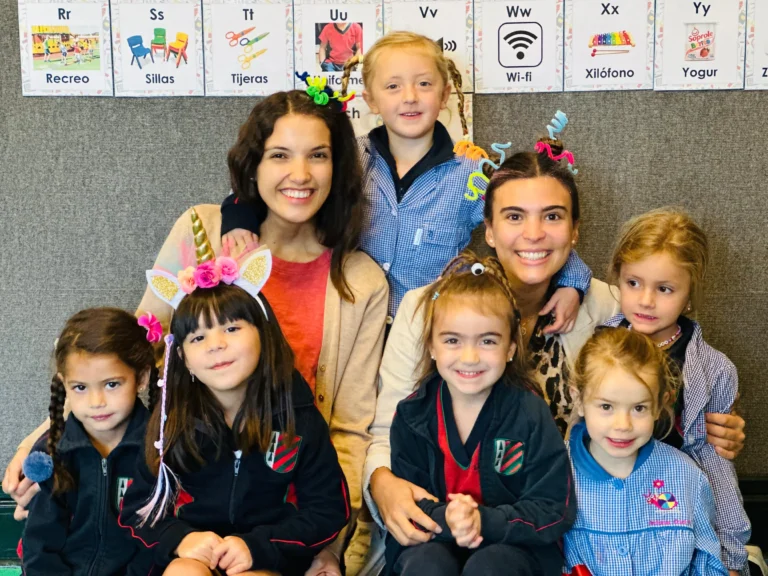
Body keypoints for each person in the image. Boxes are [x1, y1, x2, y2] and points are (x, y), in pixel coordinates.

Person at [4, 89, 387, 576]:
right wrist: (47, 437)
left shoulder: (361, 281)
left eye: (319, 155)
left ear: (339, 168)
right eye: (279, 156)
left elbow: (349, 429)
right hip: (188, 511)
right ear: (253, 167)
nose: (300, 174)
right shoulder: (202, 231)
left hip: (280, 512)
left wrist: (331, 546)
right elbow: (129, 356)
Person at [359, 137, 747, 575]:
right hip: (437, 528)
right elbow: (386, 428)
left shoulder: (609, 305)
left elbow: (663, 348)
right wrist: (383, 483)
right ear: (488, 229)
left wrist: (712, 410)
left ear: (575, 230)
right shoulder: (428, 308)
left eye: (553, 216)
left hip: (565, 531)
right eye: (513, 216)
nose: (534, 234)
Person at [223, 33, 591, 326]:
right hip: (350, 321)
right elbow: (289, 188)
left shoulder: (471, 173)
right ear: (369, 99)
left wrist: (571, 280)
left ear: (445, 95)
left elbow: (523, 221)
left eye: (424, 84)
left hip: (428, 327)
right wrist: (237, 215)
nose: (410, 98)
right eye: (393, 86)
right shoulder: (349, 157)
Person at [120, 246, 350, 576]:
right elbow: (136, 510)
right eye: (198, 337)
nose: (216, 345)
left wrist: (260, 546)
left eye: (231, 329)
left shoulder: (298, 418)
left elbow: (327, 510)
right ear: (183, 358)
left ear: (263, 335)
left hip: (268, 556)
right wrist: (179, 540)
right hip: (189, 557)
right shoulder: (168, 425)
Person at [387, 252, 575, 575]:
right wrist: (448, 519)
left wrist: (483, 521)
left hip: (512, 548)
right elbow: (408, 501)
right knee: (426, 565)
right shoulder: (412, 416)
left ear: (511, 348)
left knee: (489, 568)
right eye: (453, 340)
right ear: (431, 346)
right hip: (433, 542)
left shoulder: (529, 412)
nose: (470, 357)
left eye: (487, 340)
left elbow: (553, 506)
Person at [603, 208, 751, 575]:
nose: (646, 301)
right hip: (608, 501)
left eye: (664, 289)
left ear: (688, 295)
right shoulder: (600, 345)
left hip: (677, 505)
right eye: (633, 283)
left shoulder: (714, 370)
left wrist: (731, 551)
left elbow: (716, 462)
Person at [565, 327, 728, 575]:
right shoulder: (555, 471)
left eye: (639, 408)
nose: (623, 425)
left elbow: (707, 563)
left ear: (660, 404)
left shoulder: (685, 476)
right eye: (606, 406)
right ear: (578, 399)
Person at [21, 308, 156, 575]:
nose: (97, 403)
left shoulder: (159, 450)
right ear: (65, 385)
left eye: (112, 384)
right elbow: (39, 542)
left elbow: (156, 542)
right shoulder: (53, 454)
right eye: (80, 388)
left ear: (141, 377)